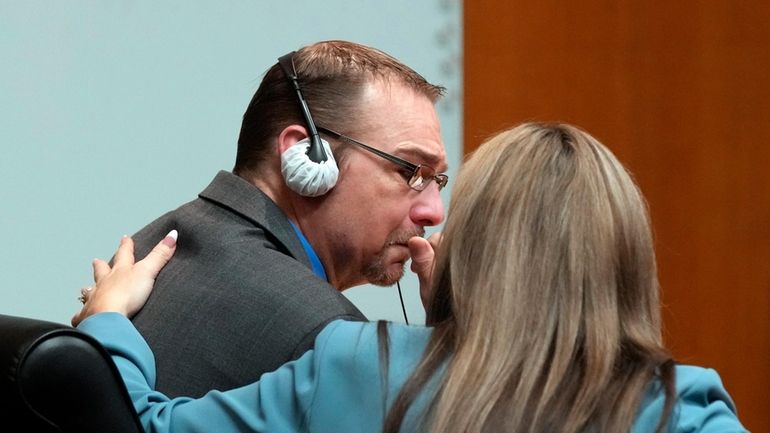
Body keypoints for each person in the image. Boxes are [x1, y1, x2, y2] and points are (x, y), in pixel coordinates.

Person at [73, 122, 747, 432]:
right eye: (409, 171)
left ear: (472, 254)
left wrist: (108, 319)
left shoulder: (358, 365)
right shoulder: (686, 409)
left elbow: (143, 424)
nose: (426, 216)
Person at [121, 40, 449, 397]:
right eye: (410, 172)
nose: (434, 212)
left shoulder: (148, 247)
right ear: (305, 156)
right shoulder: (326, 340)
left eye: (437, 181)